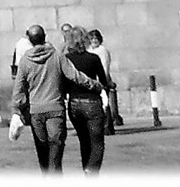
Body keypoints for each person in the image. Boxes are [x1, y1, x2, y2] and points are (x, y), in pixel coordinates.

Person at [11, 24, 100, 172]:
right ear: (44, 37)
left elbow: (19, 89)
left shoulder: (25, 61)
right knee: (56, 147)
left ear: (30, 40)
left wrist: (16, 109)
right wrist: (94, 84)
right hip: (55, 109)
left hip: (36, 111)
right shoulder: (57, 56)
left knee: (42, 148)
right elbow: (75, 75)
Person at [60, 26, 112, 174]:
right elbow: (103, 81)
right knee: (97, 142)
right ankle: (91, 170)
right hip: (92, 102)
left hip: (74, 103)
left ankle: (86, 170)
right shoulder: (93, 59)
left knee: (84, 141)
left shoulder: (66, 60)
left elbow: (63, 83)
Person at [86, 30, 119, 132]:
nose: (94, 41)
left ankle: (107, 126)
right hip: (92, 80)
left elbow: (105, 66)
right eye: (92, 39)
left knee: (105, 103)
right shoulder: (89, 50)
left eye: (96, 38)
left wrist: (102, 80)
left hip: (101, 79)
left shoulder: (102, 50)